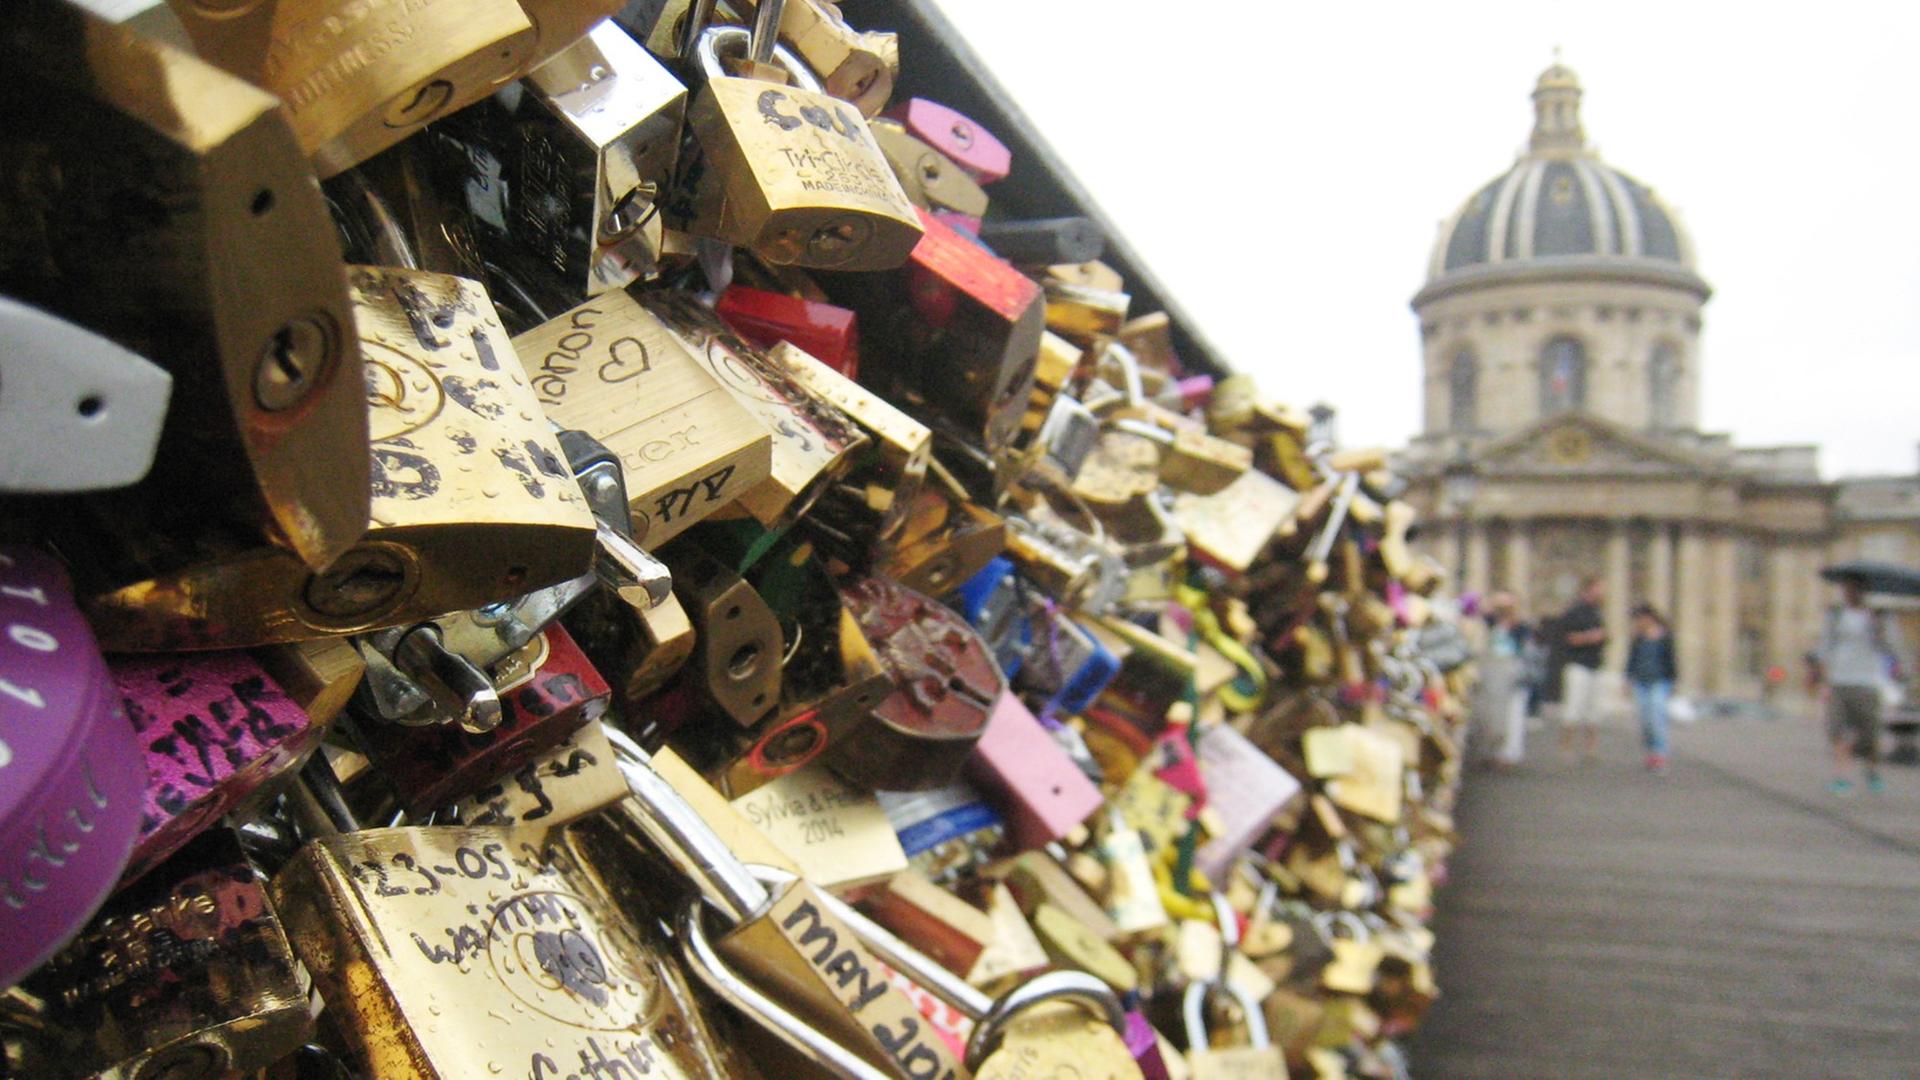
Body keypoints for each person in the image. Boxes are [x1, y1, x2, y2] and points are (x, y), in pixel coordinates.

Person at [1814, 577, 1907, 794]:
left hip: (1868, 681)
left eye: (1854, 589)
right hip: (1839, 680)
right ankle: (1842, 776)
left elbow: (1893, 647)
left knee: (1870, 734)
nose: (1849, 592)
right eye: (1847, 588)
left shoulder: (1880, 617)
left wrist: (1879, 631)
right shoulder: (1836, 616)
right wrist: (1822, 677)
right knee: (1837, 730)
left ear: (1864, 591)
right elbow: (1825, 646)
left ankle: (1872, 769)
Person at [1475, 592, 1533, 769]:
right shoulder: (1491, 622)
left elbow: (1523, 647)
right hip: (1492, 669)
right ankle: (1489, 752)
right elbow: (1480, 608)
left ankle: (1505, 754)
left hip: (1511, 670)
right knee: (1489, 714)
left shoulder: (1520, 627)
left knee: (1510, 717)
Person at [1556, 577, 1608, 763]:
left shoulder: (1598, 612)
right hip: (1577, 664)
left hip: (1595, 664)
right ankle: (1566, 748)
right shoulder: (1574, 612)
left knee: (1594, 711)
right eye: (1599, 588)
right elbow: (1566, 638)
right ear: (1587, 590)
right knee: (1573, 708)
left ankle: (1591, 749)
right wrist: (1589, 637)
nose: (1602, 593)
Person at [1626, 604, 1677, 773]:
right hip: (1641, 682)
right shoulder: (1638, 638)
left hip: (1659, 681)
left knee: (1657, 718)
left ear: (1650, 617)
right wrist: (1627, 679)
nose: (1638, 622)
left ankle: (1660, 754)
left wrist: (1673, 681)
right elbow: (1632, 660)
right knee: (1645, 721)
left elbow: (1671, 660)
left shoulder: (1664, 636)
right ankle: (1651, 750)